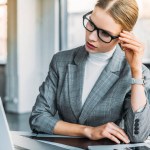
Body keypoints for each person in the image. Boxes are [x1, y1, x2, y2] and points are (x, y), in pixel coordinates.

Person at [29, 0, 150, 144]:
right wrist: (88, 131)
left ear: (122, 38)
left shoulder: (136, 73)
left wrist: (135, 71)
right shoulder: (61, 61)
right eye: (91, 24)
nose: (91, 37)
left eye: (105, 33)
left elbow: (138, 136)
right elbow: (38, 118)